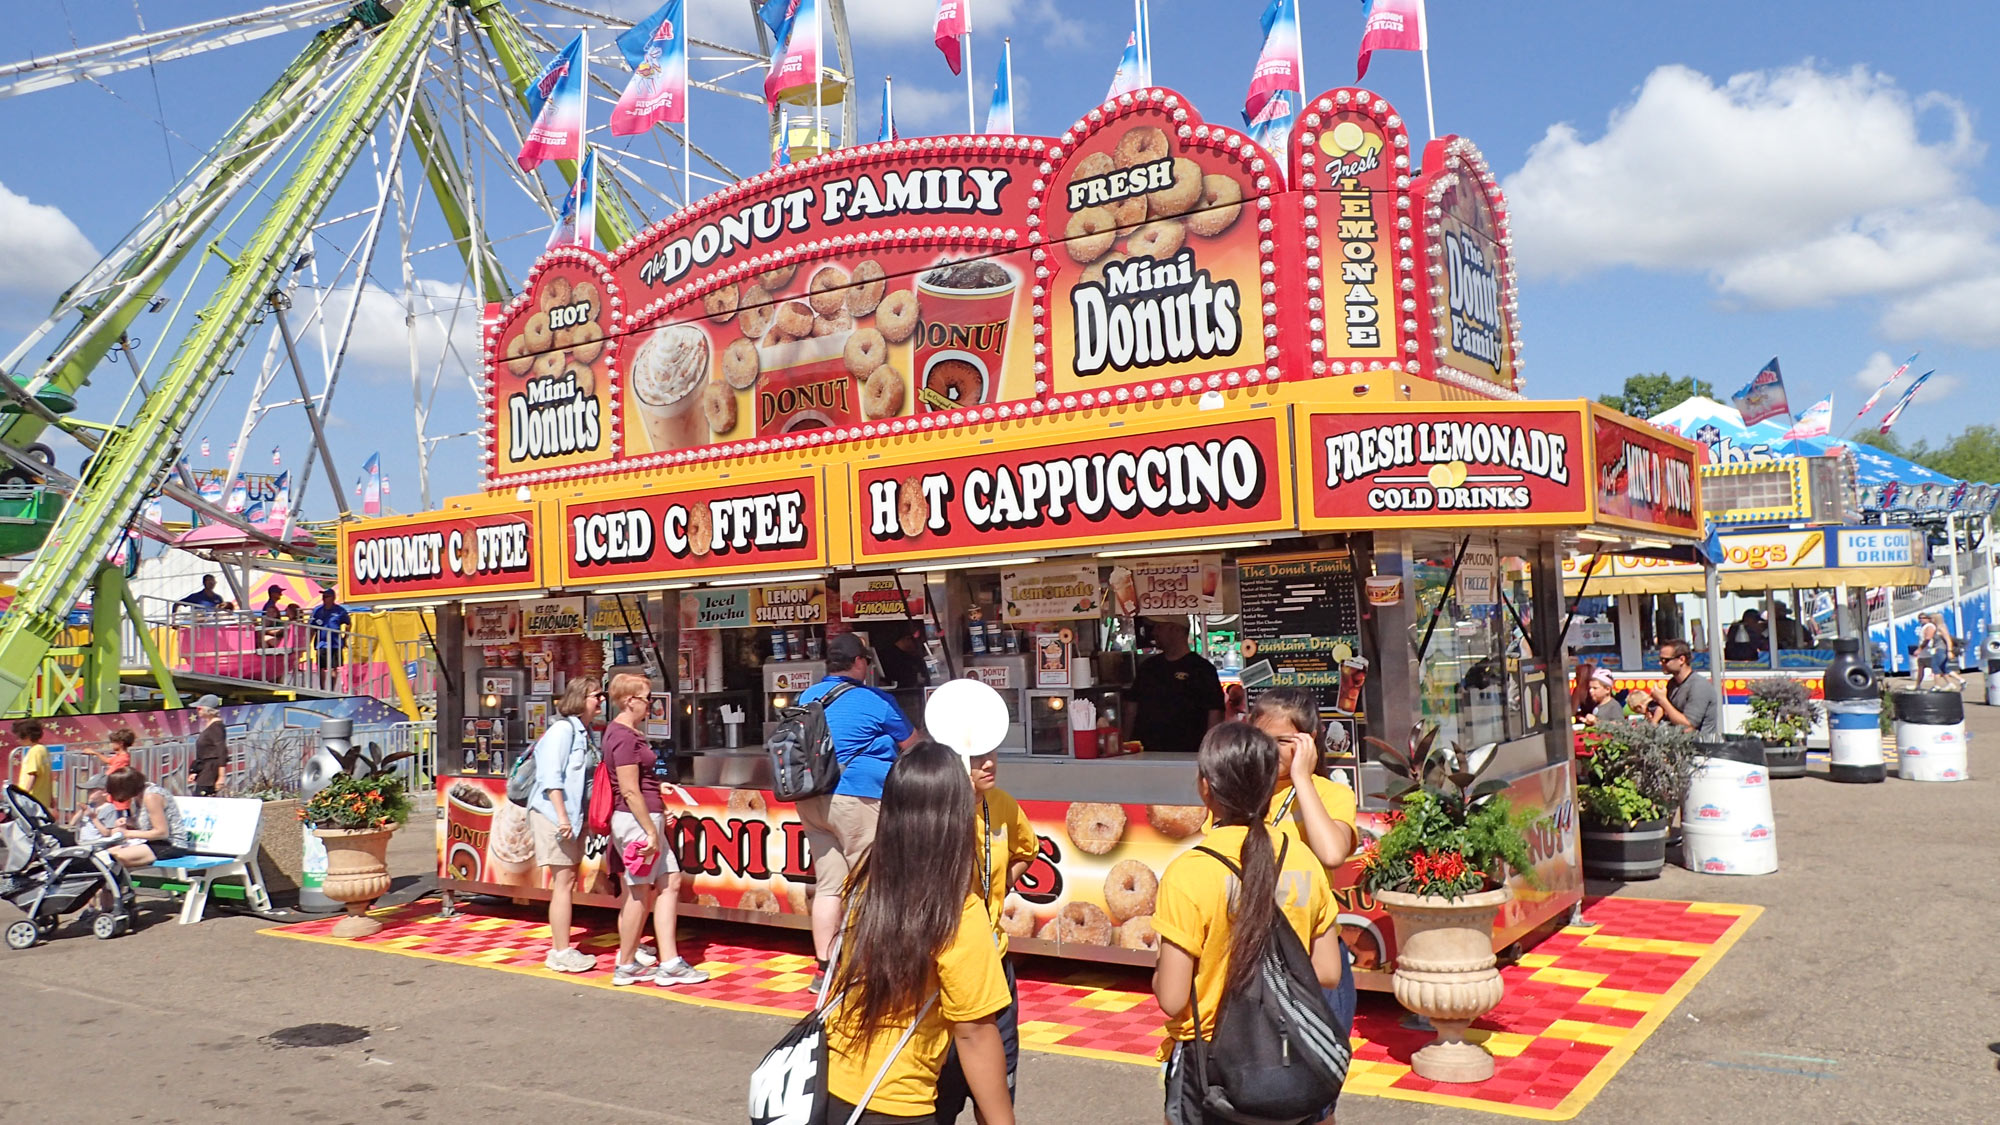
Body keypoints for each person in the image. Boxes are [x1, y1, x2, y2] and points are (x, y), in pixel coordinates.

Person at [1153, 722, 1345, 1125]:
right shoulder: (1302, 857)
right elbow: (1328, 973)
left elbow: (1172, 998)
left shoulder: (1190, 872)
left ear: (1206, 787)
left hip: (1210, 1066)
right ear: (1267, 788)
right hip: (1290, 1056)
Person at [822, 741, 1016, 1125]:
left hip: (831, 1088)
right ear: (955, 817)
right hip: (899, 1102)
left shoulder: (868, 881)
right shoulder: (958, 911)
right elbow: (975, 1033)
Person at [795, 632, 922, 980]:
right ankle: (873, 966)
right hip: (857, 798)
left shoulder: (807, 696)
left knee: (829, 886)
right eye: (865, 660)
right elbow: (912, 745)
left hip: (811, 799)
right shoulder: (873, 699)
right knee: (871, 882)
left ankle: (825, 968)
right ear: (858, 662)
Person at [1245, 688, 1359, 1049]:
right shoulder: (1241, 794)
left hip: (1314, 952)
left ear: (1308, 743)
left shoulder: (1329, 794)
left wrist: (1303, 779)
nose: (1270, 750)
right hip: (1253, 950)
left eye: (1283, 741)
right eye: (1261, 739)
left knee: (1319, 1080)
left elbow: (1331, 852)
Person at [934, 748, 1038, 1123]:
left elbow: (1029, 850)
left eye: (991, 754)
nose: (989, 764)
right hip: (945, 966)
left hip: (995, 964)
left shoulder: (1002, 804)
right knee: (938, 1094)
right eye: (977, 758)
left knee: (995, 1087)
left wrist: (1001, 884)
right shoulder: (931, 810)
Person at [603, 672, 706, 987]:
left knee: (670, 881)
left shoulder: (626, 733)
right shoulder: (623, 736)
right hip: (637, 821)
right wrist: (649, 829)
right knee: (639, 892)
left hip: (645, 818)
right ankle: (625, 963)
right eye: (647, 698)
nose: (650, 705)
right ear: (630, 700)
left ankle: (669, 961)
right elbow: (630, 790)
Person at [530, 677, 601, 973]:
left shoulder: (586, 732)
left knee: (567, 881)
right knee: (563, 883)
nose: (600, 701)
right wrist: (562, 818)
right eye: (596, 695)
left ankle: (562, 947)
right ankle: (560, 951)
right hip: (555, 816)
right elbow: (551, 778)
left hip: (572, 817)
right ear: (580, 698)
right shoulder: (563, 730)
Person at [1123, 617, 1225, 755]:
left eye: (1159, 627)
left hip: (1187, 755)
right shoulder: (1148, 667)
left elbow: (1215, 713)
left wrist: (1210, 753)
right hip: (1146, 755)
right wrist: (1125, 743)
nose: (1154, 632)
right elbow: (1131, 707)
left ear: (1176, 629)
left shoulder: (1202, 669)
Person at [103, 766, 190, 869]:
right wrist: (129, 823)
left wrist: (127, 833)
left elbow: (162, 833)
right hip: (152, 842)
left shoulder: (152, 796)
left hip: (171, 845)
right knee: (100, 857)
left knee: (114, 858)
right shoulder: (137, 797)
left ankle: (117, 884)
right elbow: (146, 825)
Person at [1649, 639, 1720, 738]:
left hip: (1700, 748)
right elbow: (1669, 713)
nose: (1660, 663)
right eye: (1660, 659)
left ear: (1681, 660)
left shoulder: (1699, 686)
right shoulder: (1672, 684)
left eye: (1665, 660)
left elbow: (1687, 726)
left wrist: (1662, 700)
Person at [11, 718, 53, 811]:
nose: (17, 740)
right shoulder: (43, 749)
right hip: (42, 799)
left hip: (31, 800)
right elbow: (47, 775)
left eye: (19, 737)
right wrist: (51, 799)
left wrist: (24, 794)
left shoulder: (34, 751)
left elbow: (32, 775)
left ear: (28, 736)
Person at [190, 695, 227, 796]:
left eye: (199, 708)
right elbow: (203, 752)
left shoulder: (216, 727)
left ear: (208, 710)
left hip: (210, 770)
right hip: (205, 768)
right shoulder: (209, 726)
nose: (197, 711)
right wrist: (195, 770)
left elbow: (221, 750)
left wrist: (221, 776)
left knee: (201, 797)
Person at [309, 589, 352, 677]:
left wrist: (345, 638)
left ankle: (332, 689)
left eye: (327, 596)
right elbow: (312, 628)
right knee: (321, 667)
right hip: (321, 644)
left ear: (333, 598)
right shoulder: (317, 610)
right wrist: (308, 642)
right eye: (323, 596)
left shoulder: (340, 610)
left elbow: (348, 623)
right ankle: (322, 689)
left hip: (335, 643)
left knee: (334, 667)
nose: (324, 598)